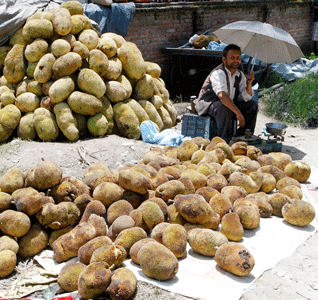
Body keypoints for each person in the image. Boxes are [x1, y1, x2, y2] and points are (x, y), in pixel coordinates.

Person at [195, 44, 258, 143]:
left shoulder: (239, 74)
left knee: (252, 106)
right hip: (209, 104)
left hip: (228, 103)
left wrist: (249, 83)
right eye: (232, 58)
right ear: (224, 59)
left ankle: (243, 137)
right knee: (224, 107)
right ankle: (224, 140)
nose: (236, 60)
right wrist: (238, 113)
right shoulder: (218, 73)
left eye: (238, 58)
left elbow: (246, 97)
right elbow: (222, 96)